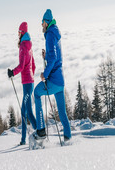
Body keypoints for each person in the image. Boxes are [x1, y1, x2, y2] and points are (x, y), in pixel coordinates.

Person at [33, 9, 71, 142]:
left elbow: (54, 58)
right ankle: (68, 138)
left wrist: (45, 74)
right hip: (60, 81)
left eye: (42, 22)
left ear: (46, 22)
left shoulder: (49, 35)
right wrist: (46, 56)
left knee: (36, 93)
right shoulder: (56, 33)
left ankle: (41, 130)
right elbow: (55, 56)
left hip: (53, 79)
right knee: (62, 112)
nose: (41, 25)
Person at [7, 22, 37, 145]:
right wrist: (30, 75)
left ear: (23, 32)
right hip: (29, 82)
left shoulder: (24, 46)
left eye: (19, 31)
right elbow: (33, 65)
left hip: (27, 82)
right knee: (24, 111)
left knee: (28, 111)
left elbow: (22, 65)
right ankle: (23, 139)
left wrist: (13, 73)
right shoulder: (28, 45)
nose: (18, 33)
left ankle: (40, 132)